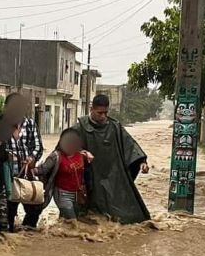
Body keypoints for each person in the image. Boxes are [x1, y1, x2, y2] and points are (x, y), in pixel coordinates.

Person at [74, 94, 150, 224]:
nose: (103, 116)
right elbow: (65, 150)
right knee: (83, 214)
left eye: (105, 113)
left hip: (111, 176)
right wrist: (81, 153)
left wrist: (141, 162)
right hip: (88, 177)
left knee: (124, 216)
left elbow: (130, 145)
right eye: (100, 113)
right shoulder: (79, 128)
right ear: (91, 109)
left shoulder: (115, 127)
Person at [0, 93, 44, 232]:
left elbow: (38, 146)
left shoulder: (30, 124)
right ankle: (11, 233)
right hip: (5, 180)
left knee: (36, 207)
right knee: (7, 217)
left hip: (26, 177)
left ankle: (26, 234)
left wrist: (32, 158)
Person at [36, 128, 94, 221]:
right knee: (72, 222)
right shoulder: (56, 156)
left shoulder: (82, 154)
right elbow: (42, 170)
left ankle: (58, 233)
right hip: (62, 194)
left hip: (79, 194)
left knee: (71, 222)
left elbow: (88, 173)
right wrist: (31, 170)